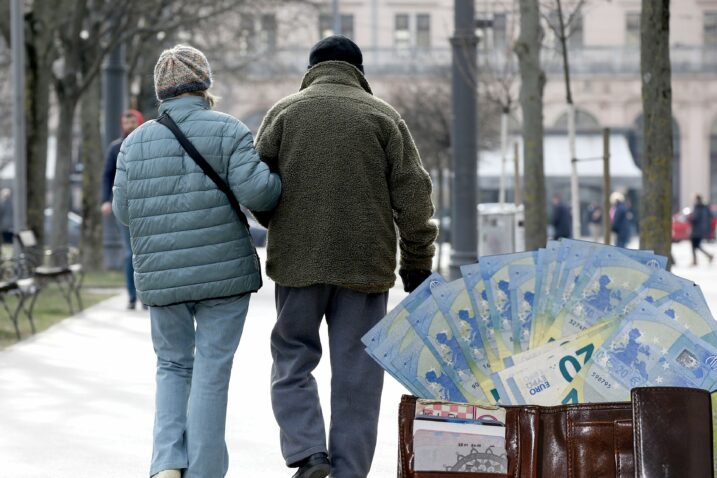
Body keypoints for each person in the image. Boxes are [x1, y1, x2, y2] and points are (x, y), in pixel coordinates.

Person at [255, 36, 438, 478]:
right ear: (359, 70)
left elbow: (257, 184)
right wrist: (417, 260)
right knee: (358, 374)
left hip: (298, 263)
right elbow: (415, 197)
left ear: (311, 67)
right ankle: (349, 471)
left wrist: (277, 218)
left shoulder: (284, 112)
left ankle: (308, 452)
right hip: (366, 266)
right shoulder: (383, 117)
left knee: (292, 357)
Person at [112, 44, 281, 478]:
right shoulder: (229, 130)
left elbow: (123, 212)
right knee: (211, 369)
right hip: (223, 275)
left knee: (171, 365)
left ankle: (167, 462)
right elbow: (259, 194)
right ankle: (205, 470)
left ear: (161, 91)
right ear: (203, 83)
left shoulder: (134, 143)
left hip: (162, 276)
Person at [102, 109, 145, 309]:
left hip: (147, 207)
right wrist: (105, 200)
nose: (129, 126)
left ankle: (147, 294)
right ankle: (131, 295)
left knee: (146, 252)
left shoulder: (147, 144)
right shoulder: (115, 148)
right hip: (125, 206)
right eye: (126, 123)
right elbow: (107, 175)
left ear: (139, 123)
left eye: (132, 122)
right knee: (130, 253)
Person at [690, 194, 714, 266]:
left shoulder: (697, 207)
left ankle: (696, 260)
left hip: (696, 230)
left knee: (694, 245)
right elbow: (710, 217)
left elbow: (695, 218)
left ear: (697, 199)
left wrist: (690, 219)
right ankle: (707, 256)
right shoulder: (705, 207)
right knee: (696, 245)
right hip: (703, 230)